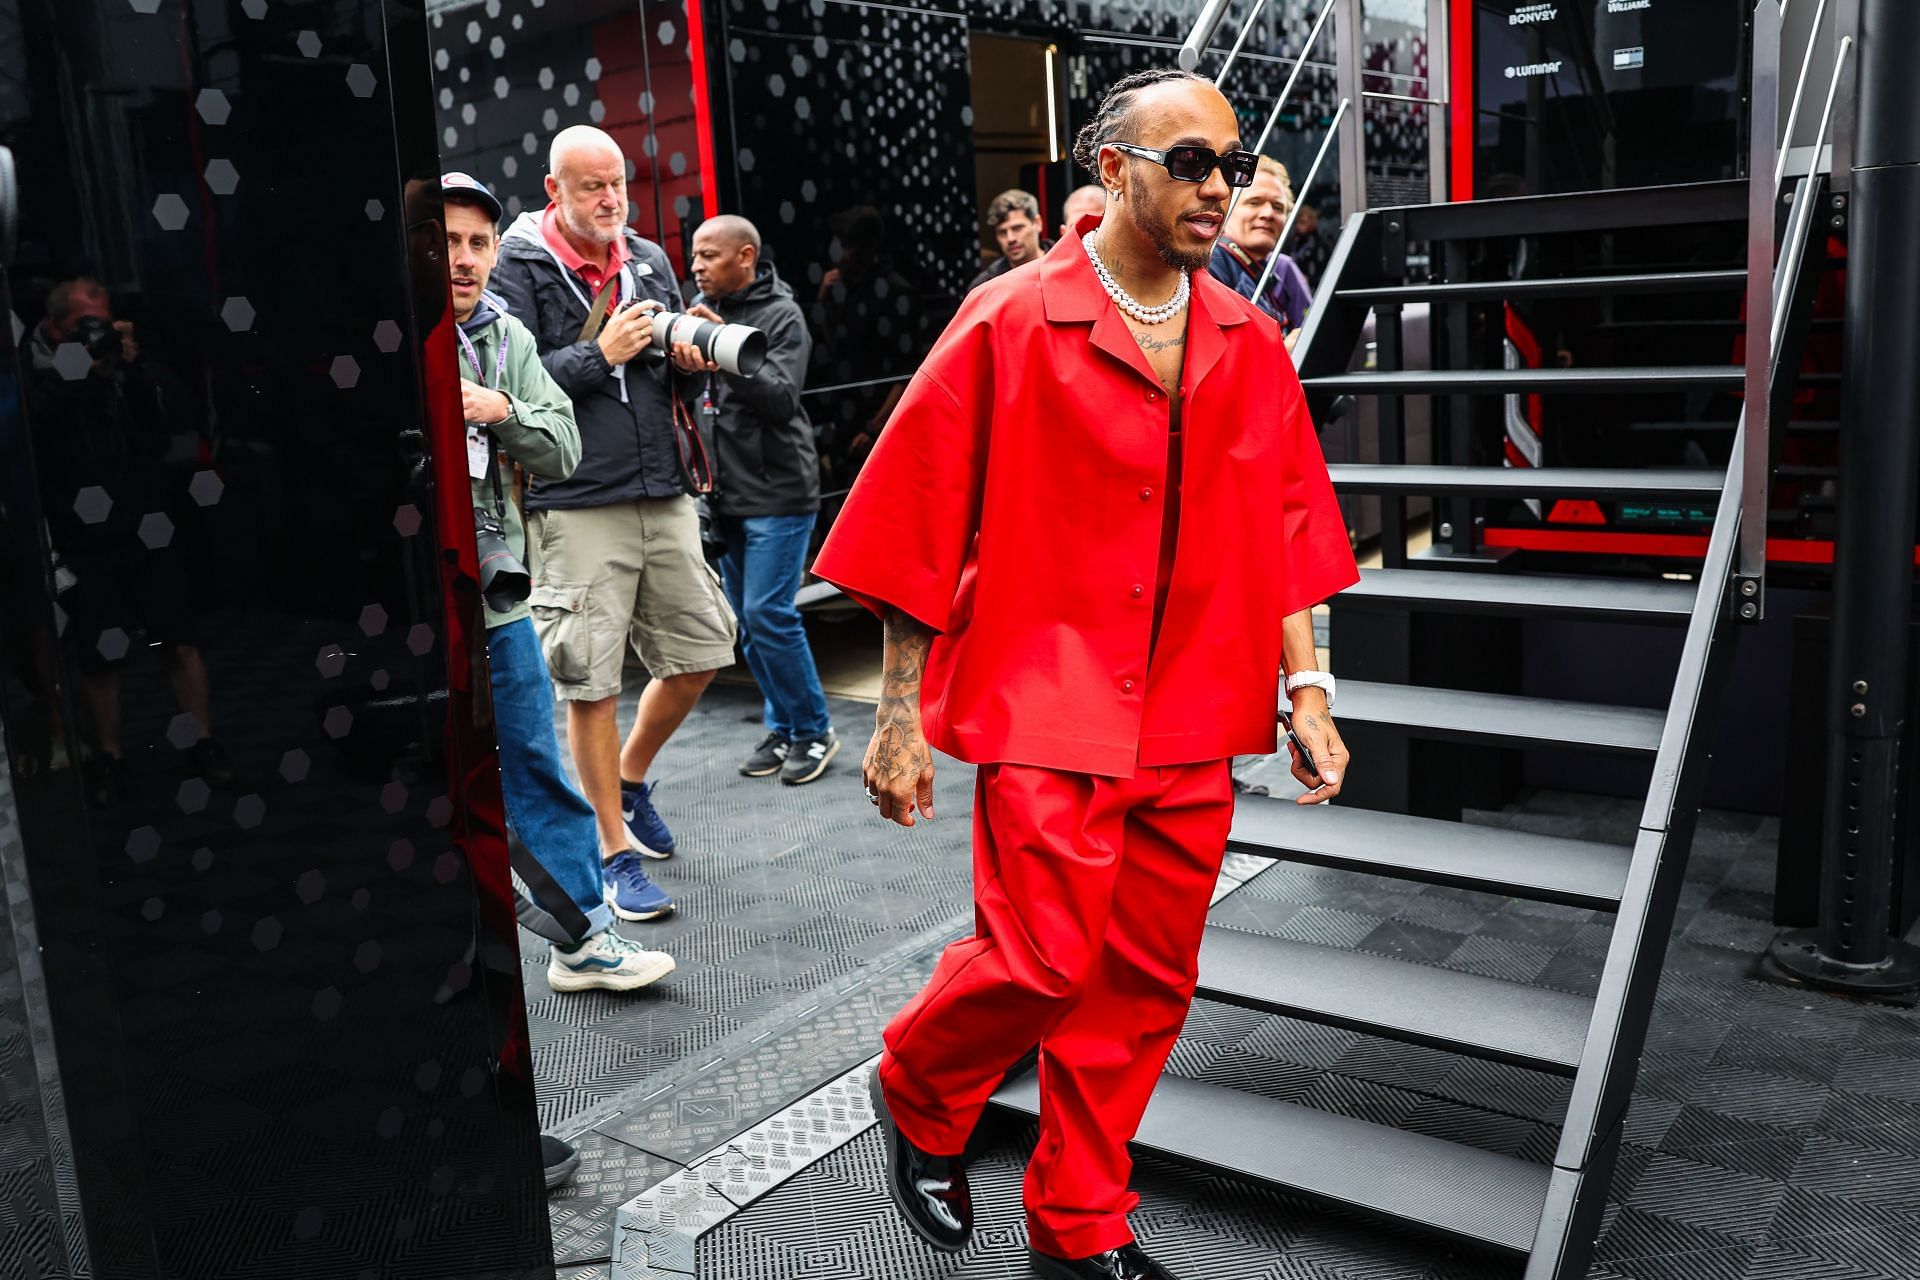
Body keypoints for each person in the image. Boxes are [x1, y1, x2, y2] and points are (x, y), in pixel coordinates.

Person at [815, 68, 1358, 1280]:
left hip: (1193, 710)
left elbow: (1288, 531)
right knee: (1043, 959)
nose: (1219, 185)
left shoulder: (1250, 338)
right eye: (1190, 161)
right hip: (1047, 695)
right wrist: (896, 718)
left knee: (1145, 982)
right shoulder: (1010, 317)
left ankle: (1077, 1221)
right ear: (1112, 169)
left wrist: (1309, 692)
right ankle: (918, 1083)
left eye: (1229, 160)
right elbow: (914, 523)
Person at [442, 171, 680, 999]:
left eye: (477, 243)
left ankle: (582, 938)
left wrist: (497, 409)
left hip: (498, 594)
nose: (466, 261)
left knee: (533, 763)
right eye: (448, 243)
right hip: (419, 600)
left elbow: (561, 445)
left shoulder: (502, 338)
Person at [489, 125, 739, 913]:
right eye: (592, 187)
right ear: (552, 189)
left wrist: (681, 355)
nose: (610, 201)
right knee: (590, 685)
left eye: (619, 185)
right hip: (574, 499)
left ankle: (628, 782)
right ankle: (610, 850)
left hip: (659, 488)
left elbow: (660, 368)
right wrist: (606, 354)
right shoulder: (517, 266)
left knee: (705, 647)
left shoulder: (649, 258)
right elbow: (518, 390)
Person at [26, 278, 232, 806]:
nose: (96, 332)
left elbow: (170, 426)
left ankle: (203, 743)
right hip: (85, 534)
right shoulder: (37, 373)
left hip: (149, 521)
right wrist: (81, 373)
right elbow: (41, 432)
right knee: (100, 653)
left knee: (178, 638)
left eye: (102, 320)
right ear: (55, 327)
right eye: (82, 324)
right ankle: (111, 756)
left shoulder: (128, 365)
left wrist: (131, 368)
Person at [683, 215, 839, 785]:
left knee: (767, 614)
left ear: (744, 256)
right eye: (693, 255)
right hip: (725, 493)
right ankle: (785, 725)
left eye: (707, 255)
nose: (696, 266)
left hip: (779, 493)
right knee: (748, 626)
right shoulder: (695, 308)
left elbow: (779, 399)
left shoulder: (783, 314)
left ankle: (815, 729)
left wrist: (721, 346)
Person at [1207, 156, 1313, 345]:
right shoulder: (1211, 263)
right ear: (1226, 209)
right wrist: (1283, 354)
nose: (1268, 214)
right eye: (1254, 202)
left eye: (1278, 207)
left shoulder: (1265, 274)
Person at [969, 188, 1049, 291]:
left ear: (1037, 223)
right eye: (1002, 232)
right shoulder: (985, 286)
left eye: (1017, 228)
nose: (1010, 238)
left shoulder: (1063, 264)